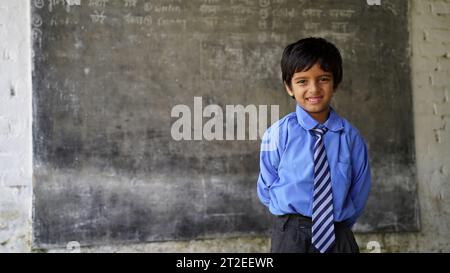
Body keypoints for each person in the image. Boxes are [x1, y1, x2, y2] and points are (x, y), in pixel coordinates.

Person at [257, 37, 371, 253]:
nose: (313, 89)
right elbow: (266, 187)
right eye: (302, 81)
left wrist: (331, 221)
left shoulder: (351, 138)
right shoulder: (278, 134)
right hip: (290, 236)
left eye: (323, 79)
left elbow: (359, 191)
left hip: (338, 235)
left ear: (335, 83)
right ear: (289, 87)